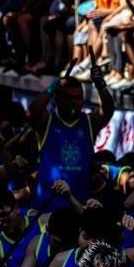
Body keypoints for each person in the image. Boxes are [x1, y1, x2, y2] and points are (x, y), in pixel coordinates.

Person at [27, 70, 114, 213]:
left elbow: (108, 110)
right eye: (68, 98)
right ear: (57, 99)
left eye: (78, 98)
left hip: (79, 209)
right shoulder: (47, 121)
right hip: (47, 210)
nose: (74, 102)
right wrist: (51, 87)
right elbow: (31, 113)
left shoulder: (89, 122)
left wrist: (100, 85)